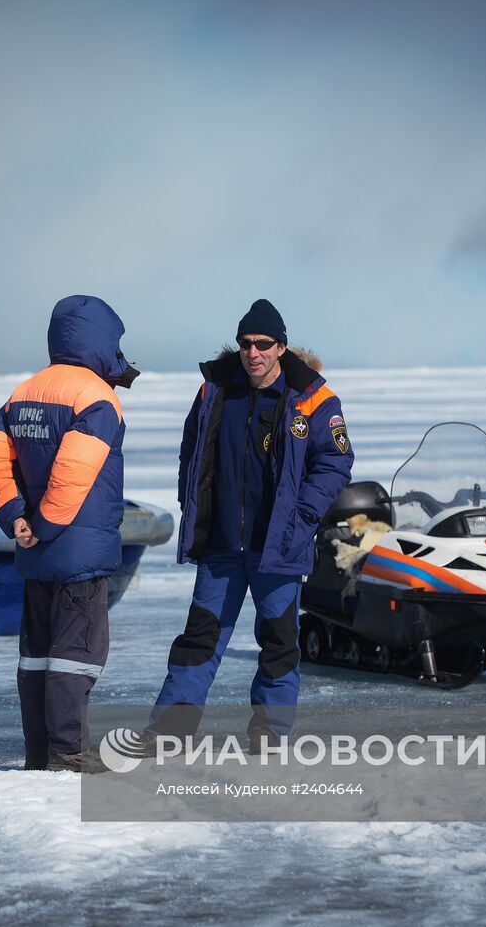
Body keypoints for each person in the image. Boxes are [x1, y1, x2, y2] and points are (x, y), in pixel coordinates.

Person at [149, 298, 353, 750]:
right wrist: (192, 501)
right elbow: (191, 451)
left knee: (278, 644)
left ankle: (269, 737)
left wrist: (302, 516)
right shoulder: (215, 390)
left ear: (282, 347)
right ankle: (168, 735)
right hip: (222, 545)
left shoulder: (314, 398)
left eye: (263, 344)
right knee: (198, 641)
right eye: (245, 344)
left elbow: (336, 463)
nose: (253, 352)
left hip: (278, 546)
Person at [0, 295, 139, 773]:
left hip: (36, 550)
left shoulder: (23, 392)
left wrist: (16, 520)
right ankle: (66, 751)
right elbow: (74, 470)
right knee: (76, 654)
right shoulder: (95, 397)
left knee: (37, 655)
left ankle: (39, 751)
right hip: (76, 551)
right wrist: (45, 526)